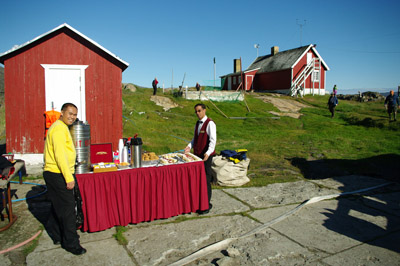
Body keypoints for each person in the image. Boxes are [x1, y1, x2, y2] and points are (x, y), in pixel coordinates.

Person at [43, 103, 86, 255]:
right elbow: (60, 155)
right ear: (62, 113)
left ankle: (56, 235)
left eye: (75, 115)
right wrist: (68, 177)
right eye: (70, 113)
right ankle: (72, 244)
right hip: (58, 173)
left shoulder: (60, 127)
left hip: (56, 172)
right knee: (68, 210)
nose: (72, 117)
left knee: (59, 206)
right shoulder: (59, 129)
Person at [184, 103, 216, 214]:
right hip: (197, 157)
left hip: (206, 157)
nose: (197, 113)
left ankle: (206, 205)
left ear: (204, 110)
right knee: (198, 180)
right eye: (196, 112)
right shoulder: (197, 124)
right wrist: (189, 146)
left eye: (199, 111)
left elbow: (213, 141)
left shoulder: (210, 124)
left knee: (206, 181)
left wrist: (207, 153)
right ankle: (199, 202)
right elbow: (195, 139)